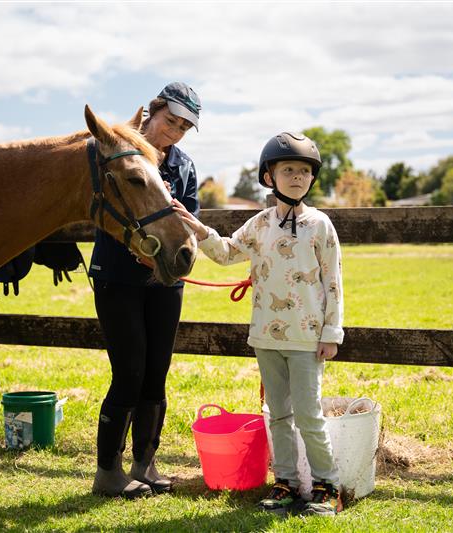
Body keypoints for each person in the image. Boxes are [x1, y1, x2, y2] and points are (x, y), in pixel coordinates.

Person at [173, 132, 344, 516]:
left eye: (303, 171)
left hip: (306, 337)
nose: (297, 177)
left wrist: (332, 333)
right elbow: (227, 252)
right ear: (270, 176)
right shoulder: (259, 224)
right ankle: (285, 482)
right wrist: (198, 230)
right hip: (266, 335)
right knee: (278, 414)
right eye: (288, 170)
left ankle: (326, 484)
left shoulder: (320, 226)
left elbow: (333, 281)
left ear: (312, 178)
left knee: (308, 413)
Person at [90, 82, 201, 498]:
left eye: (183, 128)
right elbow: (108, 210)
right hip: (118, 276)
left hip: (165, 279)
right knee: (129, 371)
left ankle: (145, 462)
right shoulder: (118, 151)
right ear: (152, 113)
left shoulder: (185, 167)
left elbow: (189, 219)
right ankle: (108, 471)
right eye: (170, 121)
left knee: (156, 372)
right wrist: (137, 246)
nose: (173, 132)